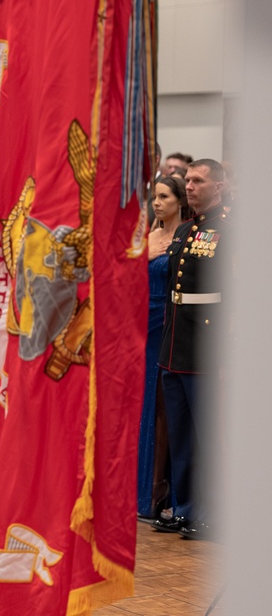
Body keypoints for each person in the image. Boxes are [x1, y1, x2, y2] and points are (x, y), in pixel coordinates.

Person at [151, 159, 228, 540]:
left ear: (219, 185)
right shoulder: (183, 231)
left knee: (208, 436)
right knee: (180, 436)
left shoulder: (228, 232)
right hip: (174, 348)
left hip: (206, 350)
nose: (192, 186)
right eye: (190, 180)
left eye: (199, 180)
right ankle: (185, 507)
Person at [138, 175, 190, 522]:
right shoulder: (148, 238)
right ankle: (136, 489)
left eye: (164, 196)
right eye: (154, 197)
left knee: (161, 411)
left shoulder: (185, 236)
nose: (157, 203)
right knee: (140, 408)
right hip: (139, 323)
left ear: (179, 200)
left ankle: (157, 489)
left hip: (168, 325)